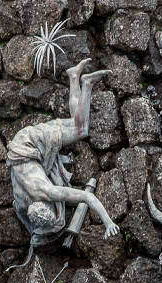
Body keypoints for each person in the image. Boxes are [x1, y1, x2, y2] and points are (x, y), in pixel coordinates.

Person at [7, 59, 119, 250]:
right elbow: (22, 215)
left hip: (31, 144)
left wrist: (108, 222)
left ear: (48, 205)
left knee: (80, 129)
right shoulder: (21, 203)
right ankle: (73, 76)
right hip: (22, 145)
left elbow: (87, 198)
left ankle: (87, 83)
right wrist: (35, 233)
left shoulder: (49, 192)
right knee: (75, 122)